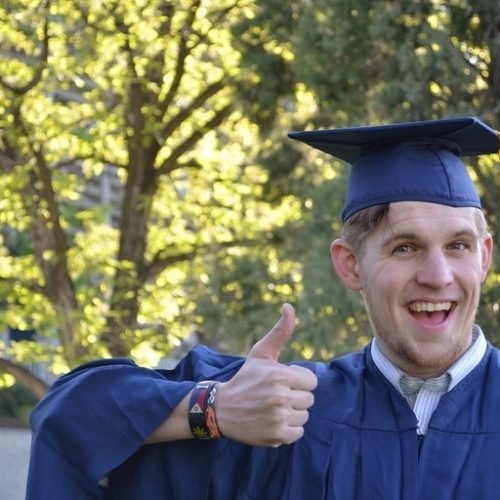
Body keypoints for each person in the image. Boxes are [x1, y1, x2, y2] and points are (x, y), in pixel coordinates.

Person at [26, 116, 500, 499]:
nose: (437, 275)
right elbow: (69, 416)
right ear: (350, 265)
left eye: (458, 246)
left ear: (483, 257)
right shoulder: (285, 411)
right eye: (405, 248)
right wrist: (213, 409)